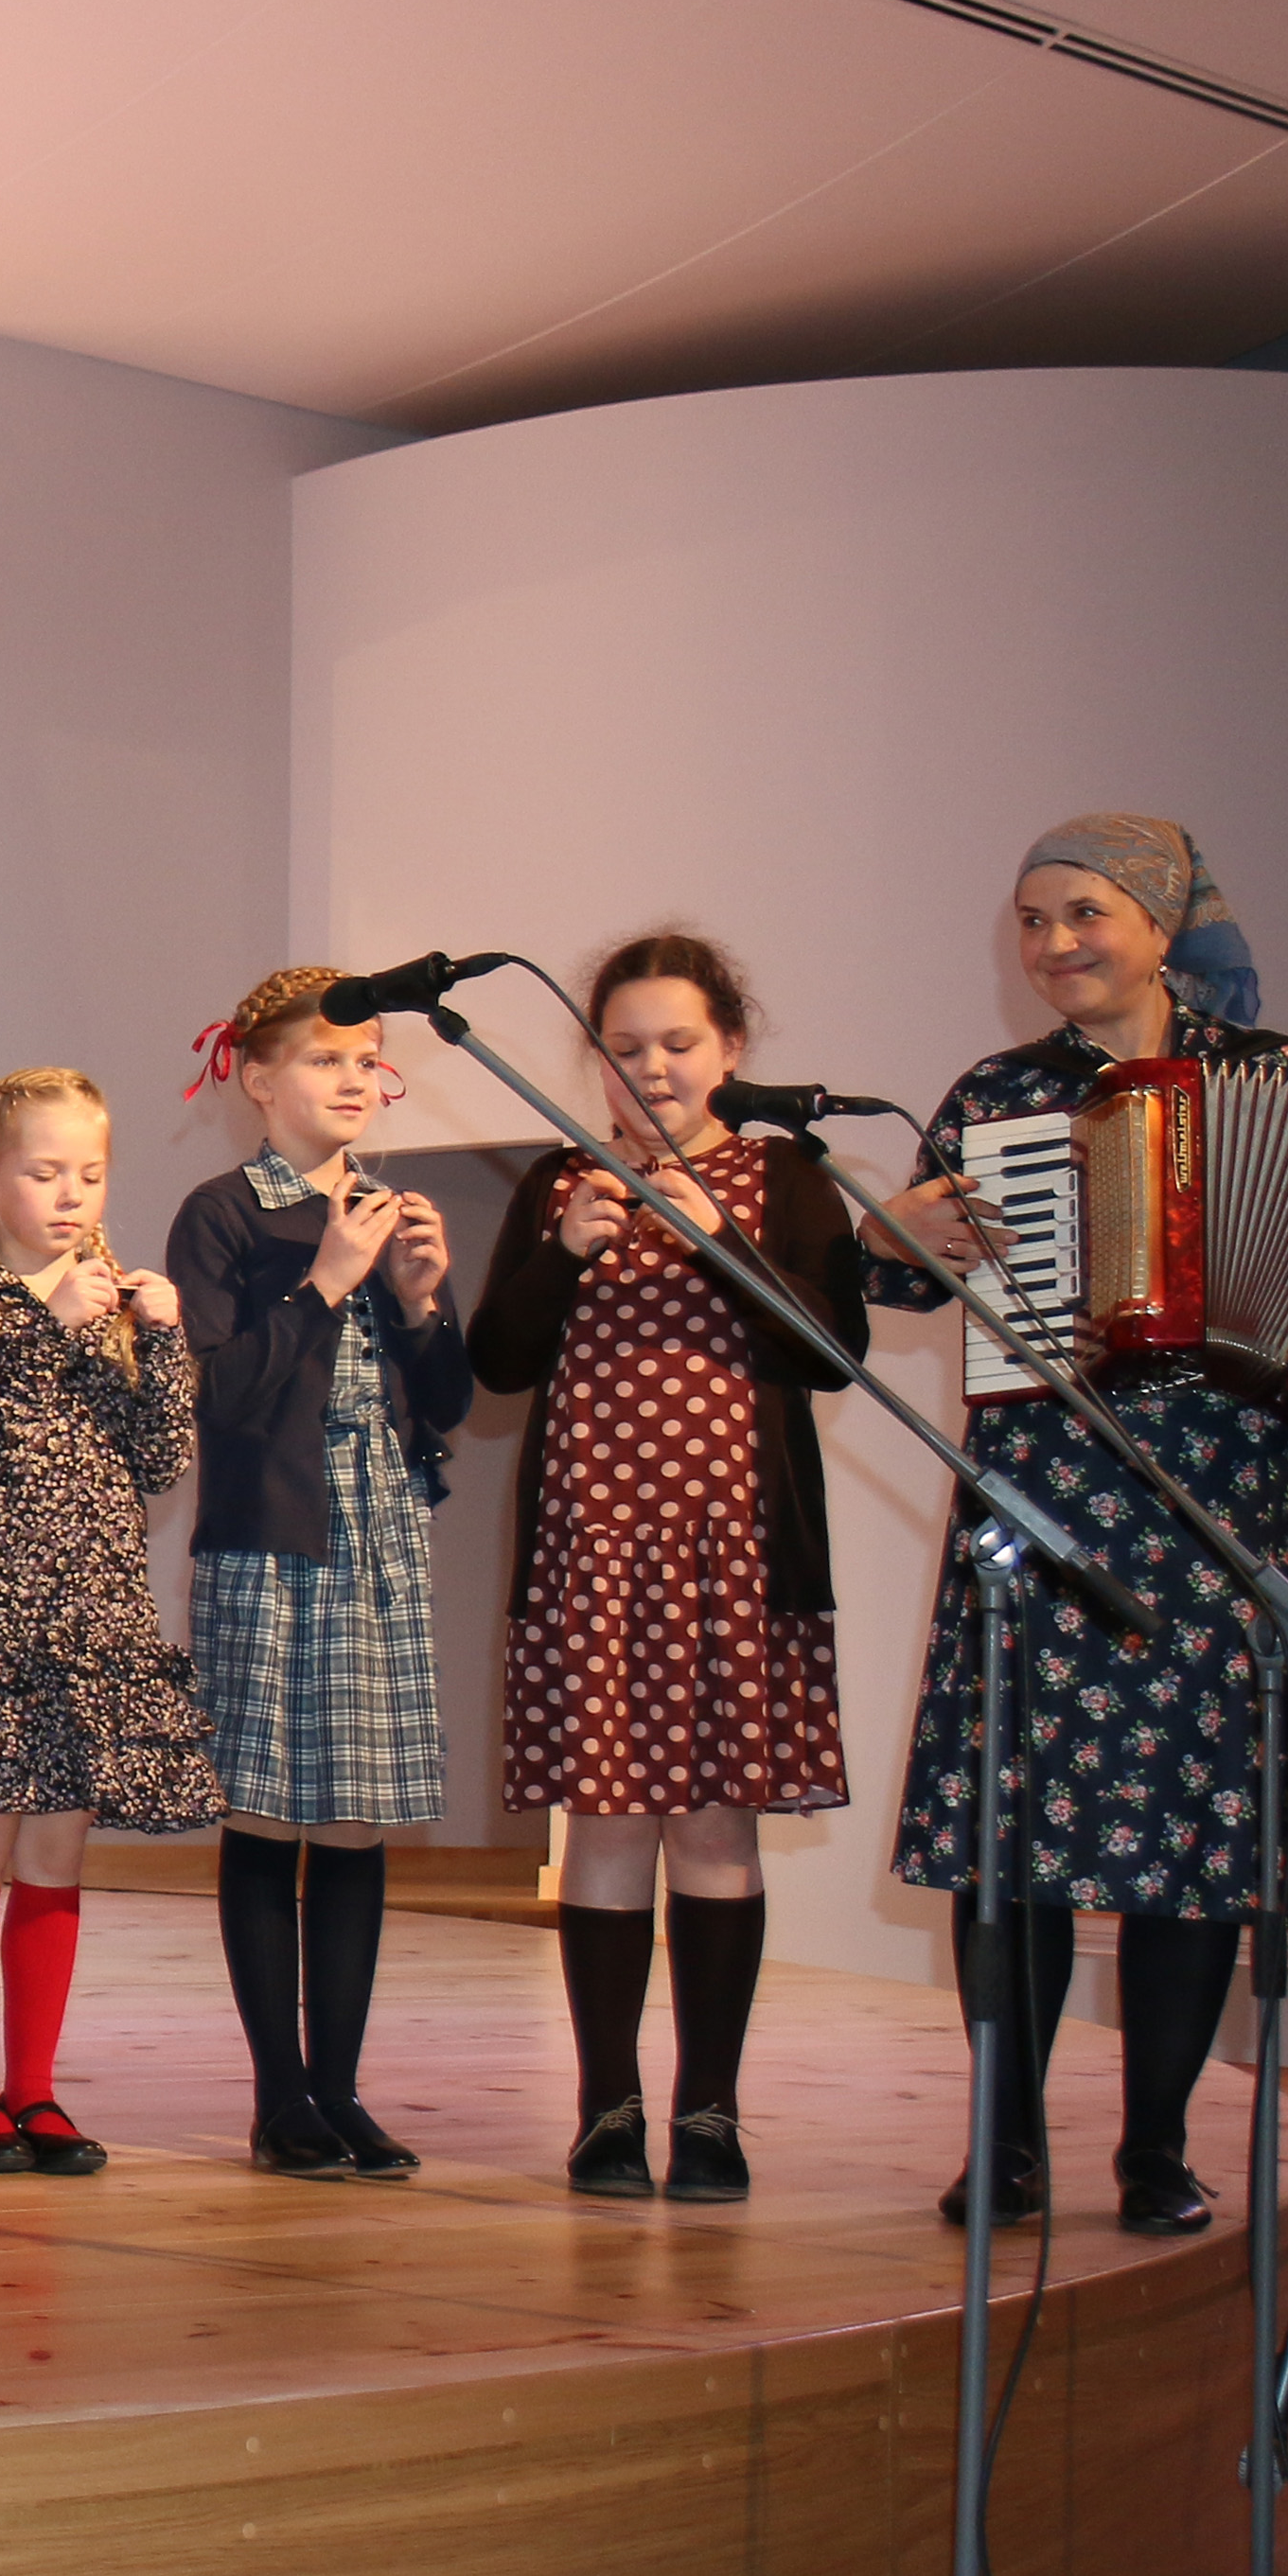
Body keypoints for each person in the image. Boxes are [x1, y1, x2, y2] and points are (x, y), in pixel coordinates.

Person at [867, 816, 1288, 2235]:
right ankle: (1006, 2141)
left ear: (1158, 924)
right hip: (1041, 1496)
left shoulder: (1274, 1074)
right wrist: (891, 1230)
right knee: (1009, 1836)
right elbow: (899, 1280)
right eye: (1031, 919)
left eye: (1083, 911)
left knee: (1194, 1845)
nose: (1053, 942)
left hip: (1217, 1504)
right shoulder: (998, 1095)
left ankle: (1155, 2147)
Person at [467, 933, 865, 2206]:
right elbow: (496, 1361)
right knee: (603, 1827)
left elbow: (831, 1351)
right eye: (623, 1047)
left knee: (712, 1826)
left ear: (729, 1048)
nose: (650, 1068)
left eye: (677, 1044)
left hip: (730, 1555)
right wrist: (563, 1251)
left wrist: (714, 1240)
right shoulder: (558, 1180)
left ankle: (709, 2112)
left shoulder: (783, 1177)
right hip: (592, 1552)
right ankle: (606, 2112)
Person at [168, 965, 469, 2180]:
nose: (353, 1080)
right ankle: (278, 2095)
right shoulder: (223, 1213)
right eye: (324, 1059)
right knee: (263, 1808)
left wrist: (423, 1303)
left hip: (377, 1524)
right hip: (268, 1531)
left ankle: (339, 2087)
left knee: (355, 1815)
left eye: (366, 1061)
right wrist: (326, 1280)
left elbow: (447, 1401)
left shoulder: (384, 1208)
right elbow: (218, 1392)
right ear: (258, 1078)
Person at [0, 1067, 215, 2180]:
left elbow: (160, 1461)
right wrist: (48, 1323)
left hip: (98, 1602)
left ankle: (32, 2085)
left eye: (89, 1172)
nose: (72, 1193)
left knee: (56, 1843)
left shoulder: (112, 1302)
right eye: (45, 1172)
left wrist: (163, 1339)